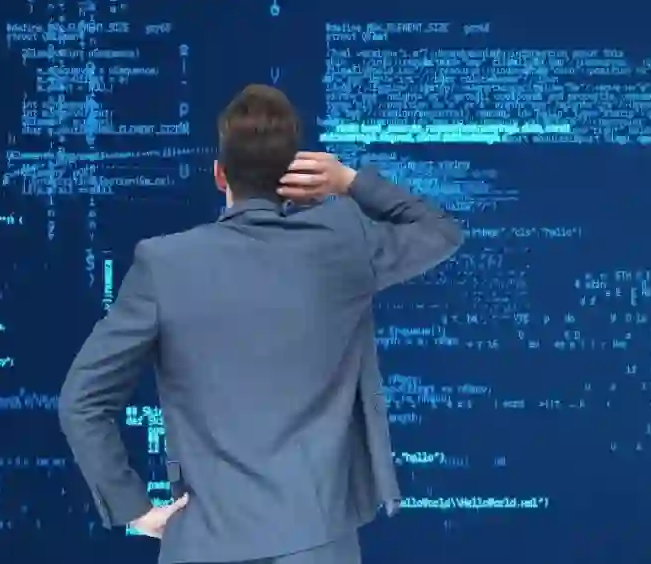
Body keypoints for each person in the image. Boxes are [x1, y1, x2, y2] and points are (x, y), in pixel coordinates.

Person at [57, 84, 464, 564]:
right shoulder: (343, 245)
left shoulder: (163, 264)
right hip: (319, 544)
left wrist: (134, 509)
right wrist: (349, 181)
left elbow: (82, 400)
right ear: (298, 174)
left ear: (219, 174)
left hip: (206, 543)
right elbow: (440, 232)